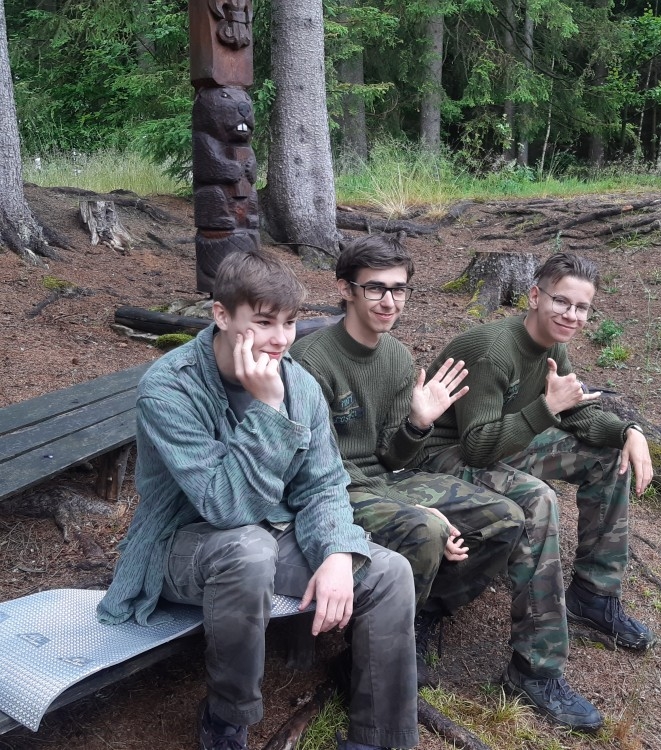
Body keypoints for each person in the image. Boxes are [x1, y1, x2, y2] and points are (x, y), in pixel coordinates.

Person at [96, 250, 419, 750]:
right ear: (222, 315)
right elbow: (225, 508)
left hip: (271, 531)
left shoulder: (299, 384)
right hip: (180, 544)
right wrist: (268, 411)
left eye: (289, 323)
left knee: (388, 572)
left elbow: (323, 484)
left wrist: (337, 552)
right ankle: (227, 716)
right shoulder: (169, 388)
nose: (281, 339)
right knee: (249, 548)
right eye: (264, 322)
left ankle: (377, 737)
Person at [290, 236, 603, 732]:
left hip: (384, 481)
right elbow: (315, 469)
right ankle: (363, 661)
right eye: (375, 289)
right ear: (345, 290)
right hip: (334, 492)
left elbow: (392, 457)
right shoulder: (310, 360)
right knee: (428, 530)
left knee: (506, 518)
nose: (389, 301)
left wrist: (417, 424)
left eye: (399, 289)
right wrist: (415, 507)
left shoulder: (395, 356)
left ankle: (421, 614)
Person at [413, 252, 657, 667]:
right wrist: (547, 407)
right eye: (561, 301)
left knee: (607, 456)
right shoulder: (493, 350)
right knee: (537, 497)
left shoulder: (552, 344)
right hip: (440, 454)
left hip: (500, 441)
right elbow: (476, 448)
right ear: (534, 296)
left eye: (582, 307)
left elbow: (574, 411)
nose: (571, 315)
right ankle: (535, 664)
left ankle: (594, 594)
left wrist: (628, 432)